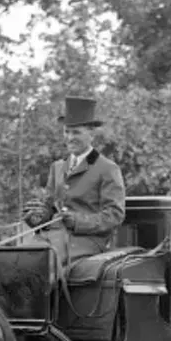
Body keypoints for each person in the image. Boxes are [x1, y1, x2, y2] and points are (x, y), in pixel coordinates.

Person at [22, 95, 126, 271]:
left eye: (76, 132)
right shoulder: (57, 167)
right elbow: (50, 209)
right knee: (14, 260)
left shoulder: (108, 168)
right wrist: (36, 217)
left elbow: (115, 215)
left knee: (43, 265)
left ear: (91, 133)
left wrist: (78, 221)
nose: (70, 138)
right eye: (66, 132)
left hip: (87, 241)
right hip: (52, 237)